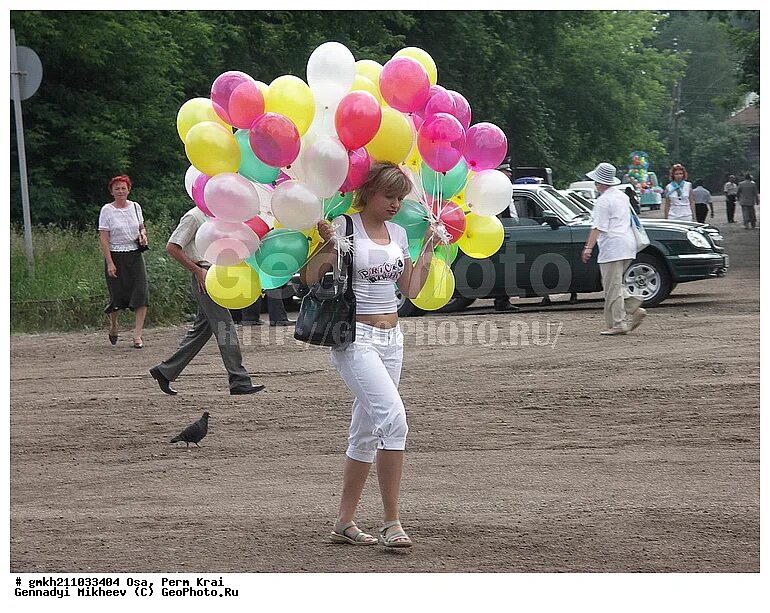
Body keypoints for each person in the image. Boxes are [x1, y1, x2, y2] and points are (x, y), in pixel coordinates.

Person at [300, 162, 436, 548]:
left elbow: (410, 288)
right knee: (394, 421)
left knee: (364, 431)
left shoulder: (397, 231)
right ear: (369, 192)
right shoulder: (343, 226)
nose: (395, 204)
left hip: (393, 339)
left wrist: (427, 244)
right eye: (388, 196)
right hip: (355, 338)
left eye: (399, 198)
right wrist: (327, 244)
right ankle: (392, 522)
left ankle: (344, 523)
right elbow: (310, 279)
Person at [148, 206, 264, 396]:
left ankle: (165, 371)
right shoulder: (193, 217)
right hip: (206, 277)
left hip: (221, 276)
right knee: (225, 327)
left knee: (201, 331)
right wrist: (197, 270)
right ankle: (239, 380)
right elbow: (172, 247)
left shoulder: (222, 215)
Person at [581, 162, 646, 336]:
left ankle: (618, 323)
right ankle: (633, 307)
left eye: (596, 182)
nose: (595, 185)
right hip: (628, 244)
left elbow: (598, 227)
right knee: (614, 283)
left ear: (601, 183)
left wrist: (588, 248)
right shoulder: (622, 196)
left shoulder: (603, 201)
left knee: (612, 287)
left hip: (612, 246)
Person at [98, 175, 149, 349]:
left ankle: (137, 335)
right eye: (117, 188)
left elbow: (141, 227)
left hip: (134, 255)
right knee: (117, 296)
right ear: (112, 192)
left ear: (129, 189)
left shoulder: (135, 207)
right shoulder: (107, 210)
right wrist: (110, 262)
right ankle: (113, 326)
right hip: (116, 255)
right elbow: (104, 238)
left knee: (141, 293)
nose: (121, 191)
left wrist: (143, 236)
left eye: (123, 188)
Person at [492, 163, 520, 312]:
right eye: (505, 172)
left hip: (510, 231)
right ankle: (502, 300)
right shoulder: (497, 192)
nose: (509, 174)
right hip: (504, 233)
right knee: (505, 269)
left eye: (509, 172)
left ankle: (503, 299)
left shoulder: (506, 190)